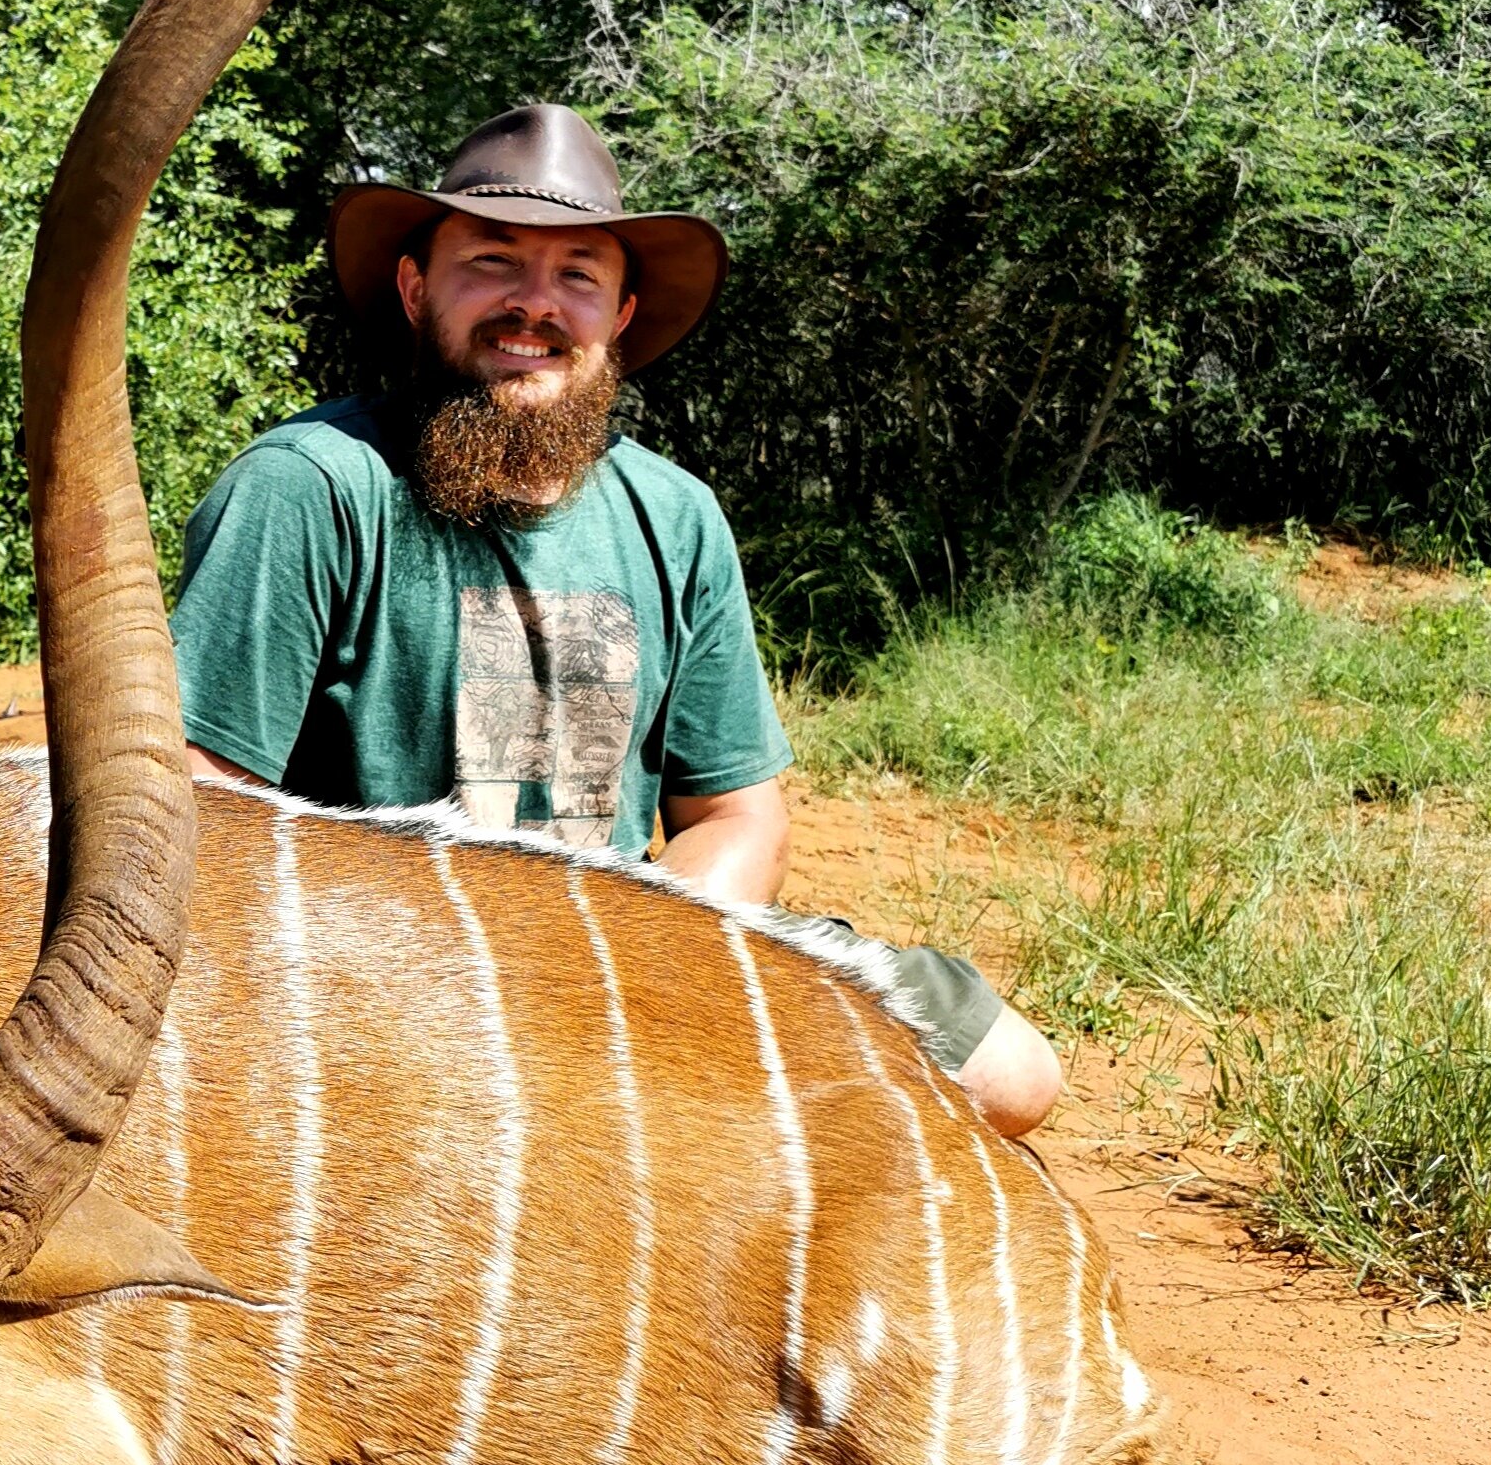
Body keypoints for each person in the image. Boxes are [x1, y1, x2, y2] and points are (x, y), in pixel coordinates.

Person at [168, 100, 1063, 1141]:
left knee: (1009, 1071)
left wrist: (619, 961)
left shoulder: (673, 514)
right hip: (384, 977)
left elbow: (737, 818)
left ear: (622, 313)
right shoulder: (311, 487)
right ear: (417, 290)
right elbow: (199, 806)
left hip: (626, 961)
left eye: (577, 275)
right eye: (493, 263)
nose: (532, 307)